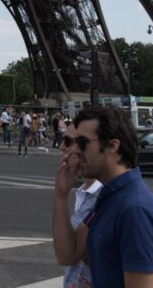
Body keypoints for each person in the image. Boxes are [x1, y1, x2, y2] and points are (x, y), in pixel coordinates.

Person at [53, 106, 153, 287]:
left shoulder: (135, 210)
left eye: (83, 142)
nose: (76, 151)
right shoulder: (109, 196)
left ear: (112, 146)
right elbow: (68, 254)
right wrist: (61, 195)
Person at [59, 121, 102, 287]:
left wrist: (60, 195)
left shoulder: (103, 197)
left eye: (70, 141)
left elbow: (68, 254)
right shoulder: (85, 192)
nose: (63, 147)